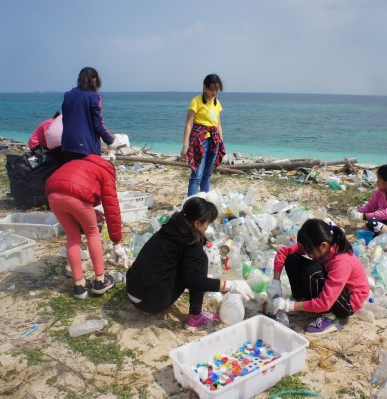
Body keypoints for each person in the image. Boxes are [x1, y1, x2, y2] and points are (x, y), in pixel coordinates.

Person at [125, 197, 254, 330]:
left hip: (132, 290)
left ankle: (194, 314)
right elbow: (193, 280)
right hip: (150, 303)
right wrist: (228, 285)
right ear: (197, 223)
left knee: (192, 262)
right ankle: (195, 316)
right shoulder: (190, 242)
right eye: (207, 224)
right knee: (201, 261)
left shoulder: (170, 227)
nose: (207, 227)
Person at [267, 219, 370, 335]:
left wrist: (289, 306)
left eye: (309, 252)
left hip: (347, 301)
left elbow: (324, 302)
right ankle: (302, 301)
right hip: (333, 290)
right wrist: (276, 282)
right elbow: (283, 252)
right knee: (293, 259)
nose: (307, 254)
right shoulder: (318, 245)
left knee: (312, 270)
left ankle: (329, 316)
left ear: (324, 246)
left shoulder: (342, 262)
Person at [45, 154, 128, 299]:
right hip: (75, 195)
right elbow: (111, 208)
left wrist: (91, 209)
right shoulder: (106, 171)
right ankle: (100, 281)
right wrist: (116, 241)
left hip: (52, 193)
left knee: (72, 237)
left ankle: (79, 285)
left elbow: (76, 187)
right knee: (92, 233)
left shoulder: (80, 163)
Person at [180, 74, 226, 196]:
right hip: (199, 141)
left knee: (207, 174)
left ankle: (204, 202)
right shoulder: (196, 101)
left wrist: (221, 142)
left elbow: (218, 124)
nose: (214, 93)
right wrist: (185, 146)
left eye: (217, 90)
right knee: (196, 175)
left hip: (214, 141)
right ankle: (191, 204)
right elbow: (189, 124)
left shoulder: (217, 103)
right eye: (212, 90)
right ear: (204, 87)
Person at [61, 67, 115, 163]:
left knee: (70, 173)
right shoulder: (94, 97)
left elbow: (65, 119)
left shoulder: (68, 95)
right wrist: (110, 140)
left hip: (67, 143)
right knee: (86, 175)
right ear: (94, 80)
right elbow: (98, 124)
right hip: (85, 146)